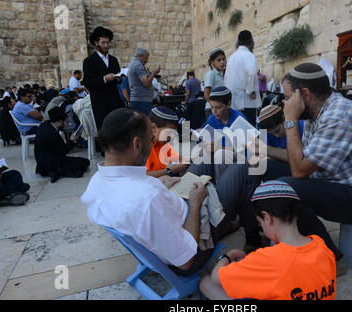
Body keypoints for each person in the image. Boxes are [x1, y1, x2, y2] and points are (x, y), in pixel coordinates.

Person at [81, 108, 261, 276]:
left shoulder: (96, 184)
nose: (153, 142)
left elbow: (139, 198)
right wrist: (196, 204)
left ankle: (231, 213)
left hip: (175, 210)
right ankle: (252, 238)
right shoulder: (147, 198)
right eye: (149, 139)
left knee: (204, 159)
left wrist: (162, 185)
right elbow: (186, 260)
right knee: (244, 168)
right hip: (197, 240)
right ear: (137, 144)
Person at [278, 63, 352, 262]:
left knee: (286, 188)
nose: (286, 104)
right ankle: (282, 236)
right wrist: (266, 152)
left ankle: (330, 258)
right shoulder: (316, 114)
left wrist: (290, 120)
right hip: (343, 186)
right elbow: (302, 159)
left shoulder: (338, 117)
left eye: (288, 98)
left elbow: (300, 172)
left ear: (305, 94)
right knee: (267, 169)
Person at [200, 181, 336, 300]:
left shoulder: (266, 260)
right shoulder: (320, 244)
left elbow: (216, 278)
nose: (262, 227)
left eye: (260, 223)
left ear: (267, 218)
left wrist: (228, 256)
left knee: (206, 283)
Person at [82, 26, 124, 130]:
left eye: (108, 43)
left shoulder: (114, 60)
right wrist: (104, 79)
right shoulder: (89, 61)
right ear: (96, 43)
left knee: (118, 129)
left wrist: (119, 78)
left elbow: (118, 77)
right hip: (100, 102)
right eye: (103, 43)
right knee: (105, 131)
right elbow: (87, 82)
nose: (106, 45)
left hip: (115, 101)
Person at [34, 108, 90, 183]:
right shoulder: (52, 133)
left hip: (41, 164)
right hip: (50, 164)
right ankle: (59, 172)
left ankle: (58, 171)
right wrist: (72, 140)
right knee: (85, 162)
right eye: (66, 122)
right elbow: (63, 152)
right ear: (60, 121)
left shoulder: (44, 126)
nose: (67, 125)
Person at [255, 105, 305, 181]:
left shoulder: (301, 127)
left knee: (268, 165)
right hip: (283, 168)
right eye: (272, 133)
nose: (276, 136)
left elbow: (301, 158)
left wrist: (268, 151)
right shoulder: (265, 133)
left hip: (299, 171)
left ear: (284, 119)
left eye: (277, 131)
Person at [224, 30, 262, 126]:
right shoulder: (249, 55)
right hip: (246, 102)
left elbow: (226, 78)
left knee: (236, 132)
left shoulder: (231, 58)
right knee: (249, 133)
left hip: (233, 102)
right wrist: (250, 90)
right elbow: (252, 73)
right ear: (251, 41)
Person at [146, 107, 189, 178]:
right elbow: (141, 177)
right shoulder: (141, 146)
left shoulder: (162, 142)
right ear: (153, 127)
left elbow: (181, 159)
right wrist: (170, 170)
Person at [128, 48, 161, 115]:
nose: (147, 61)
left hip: (140, 99)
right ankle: (185, 125)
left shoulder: (135, 64)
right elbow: (146, 83)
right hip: (141, 100)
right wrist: (154, 73)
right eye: (146, 58)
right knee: (143, 123)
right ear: (140, 56)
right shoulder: (138, 65)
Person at [204, 48, 226, 119]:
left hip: (221, 110)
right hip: (212, 110)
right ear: (212, 62)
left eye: (223, 59)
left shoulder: (223, 74)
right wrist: (215, 107)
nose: (222, 62)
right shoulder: (211, 74)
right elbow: (206, 95)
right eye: (219, 60)